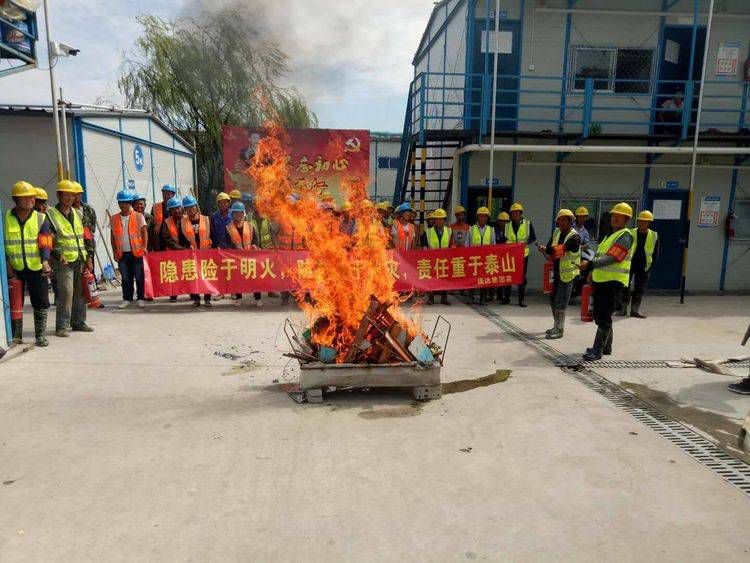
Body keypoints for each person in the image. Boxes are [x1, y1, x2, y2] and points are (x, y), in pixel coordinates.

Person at [579, 203, 634, 361]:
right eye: (613, 216)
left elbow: (613, 258)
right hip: (601, 281)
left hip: (613, 283)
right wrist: (592, 272)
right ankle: (606, 347)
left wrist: (589, 264)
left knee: (603, 316)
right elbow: (599, 256)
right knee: (601, 314)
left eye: (619, 216)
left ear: (626, 219)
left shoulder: (625, 236)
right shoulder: (610, 236)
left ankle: (597, 350)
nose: (615, 218)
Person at [4, 181, 53, 346]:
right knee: (14, 302)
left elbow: (45, 243)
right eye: (24, 198)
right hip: (14, 269)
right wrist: (7, 265)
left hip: (36, 267)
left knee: (40, 302)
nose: (29, 200)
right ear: (15, 199)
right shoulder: (6, 218)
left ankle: (40, 336)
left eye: (31, 197)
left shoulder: (41, 218)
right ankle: (16, 336)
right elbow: (3, 243)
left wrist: (45, 261)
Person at [47, 180, 93, 337]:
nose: (69, 198)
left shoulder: (79, 213)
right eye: (66, 195)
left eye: (72, 195)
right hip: (63, 260)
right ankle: (62, 325)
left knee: (80, 292)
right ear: (59, 195)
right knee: (66, 290)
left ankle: (79, 321)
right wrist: (57, 254)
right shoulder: (51, 214)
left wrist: (89, 256)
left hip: (80, 257)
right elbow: (49, 238)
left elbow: (87, 236)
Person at [537, 209, 581, 340]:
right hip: (555, 271)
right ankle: (556, 326)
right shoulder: (557, 232)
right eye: (559, 220)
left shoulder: (575, 237)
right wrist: (546, 249)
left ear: (570, 221)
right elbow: (551, 246)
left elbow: (562, 249)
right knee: (552, 300)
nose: (561, 222)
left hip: (567, 273)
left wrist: (547, 249)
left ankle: (560, 329)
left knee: (560, 301)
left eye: (564, 220)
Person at [110, 189, 148, 309]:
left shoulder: (138, 216)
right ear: (118, 203)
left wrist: (145, 247)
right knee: (126, 278)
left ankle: (141, 298)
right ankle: (127, 298)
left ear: (130, 203)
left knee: (139, 276)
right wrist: (114, 251)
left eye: (126, 202)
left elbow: (144, 232)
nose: (124, 205)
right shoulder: (114, 218)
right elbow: (113, 236)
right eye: (121, 202)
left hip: (136, 252)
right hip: (122, 253)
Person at [619, 210, 659, 319]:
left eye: (645, 222)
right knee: (625, 286)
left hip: (643, 266)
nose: (642, 223)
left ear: (649, 223)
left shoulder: (654, 235)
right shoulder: (631, 233)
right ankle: (623, 309)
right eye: (640, 221)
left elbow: (655, 253)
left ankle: (635, 310)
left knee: (639, 288)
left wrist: (650, 266)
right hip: (629, 264)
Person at [181, 195, 213, 307]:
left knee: (206, 276)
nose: (190, 209)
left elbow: (212, 235)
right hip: (191, 254)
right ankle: (196, 299)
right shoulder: (183, 222)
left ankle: (207, 299)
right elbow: (182, 238)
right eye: (188, 208)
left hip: (205, 253)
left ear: (196, 206)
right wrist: (187, 246)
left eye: (192, 207)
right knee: (193, 277)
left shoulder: (206, 219)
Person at [226, 202, 258, 307]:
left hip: (250, 257)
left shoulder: (250, 225)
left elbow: (255, 239)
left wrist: (254, 245)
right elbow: (225, 243)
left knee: (253, 277)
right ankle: (239, 298)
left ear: (243, 213)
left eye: (240, 213)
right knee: (238, 279)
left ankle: (257, 298)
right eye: (236, 213)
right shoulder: (228, 227)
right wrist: (235, 247)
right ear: (232, 214)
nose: (238, 215)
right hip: (236, 257)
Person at [505, 202, 536, 307]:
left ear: (520, 213)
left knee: (521, 277)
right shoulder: (507, 225)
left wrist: (526, 243)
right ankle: (506, 298)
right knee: (508, 275)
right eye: (513, 213)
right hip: (510, 255)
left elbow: (533, 237)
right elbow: (504, 239)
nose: (514, 215)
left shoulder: (527, 224)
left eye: (516, 213)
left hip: (523, 255)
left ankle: (521, 300)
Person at [466, 207, 496, 306]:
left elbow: (493, 245)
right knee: (472, 279)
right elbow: (467, 245)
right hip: (474, 259)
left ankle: (482, 299)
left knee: (484, 280)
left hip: (486, 259)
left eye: (485, 217)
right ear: (477, 218)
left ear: (487, 218)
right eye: (481, 216)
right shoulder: (471, 229)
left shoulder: (491, 230)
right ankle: (471, 297)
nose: (483, 219)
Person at [422, 208, 452, 305]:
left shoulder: (449, 231)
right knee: (431, 279)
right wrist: (426, 252)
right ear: (434, 220)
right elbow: (425, 245)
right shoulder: (428, 231)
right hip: (432, 259)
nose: (439, 221)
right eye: (437, 219)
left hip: (445, 259)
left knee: (444, 279)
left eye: (441, 219)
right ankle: (431, 298)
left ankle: (444, 298)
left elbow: (451, 245)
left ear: (444, 220)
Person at [159, 197, 185, 303]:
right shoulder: (166, 222)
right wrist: (180, 248)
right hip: (172, 253)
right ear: (169, 211)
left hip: (187, 252)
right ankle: (173, 294)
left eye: (178, 208)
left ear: (181, 208)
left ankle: (193, 292)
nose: (176, 211)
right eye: (173, 209)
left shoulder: (187, 219)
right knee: (173, 274)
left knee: (189, 273)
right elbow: (166, 239)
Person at [72, 181, 97, 264]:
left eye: (78, 194)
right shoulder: (68, 211)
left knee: (89, 274)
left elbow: (92, 228)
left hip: (88, 247)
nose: (76, 197)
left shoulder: (88, 209)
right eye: (74, 194)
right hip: (74, 249)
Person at [151, 184, 177, 250]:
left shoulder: (177, 207)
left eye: (168, 194)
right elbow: (151, 223)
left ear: (173, 195)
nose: (166, 196)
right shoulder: (156, 207)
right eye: (164, 194)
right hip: (159, 238)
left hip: (173, 238)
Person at [495, 211, 510, 304]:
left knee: (506, 277)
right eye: (501, 221)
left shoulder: (510, 232)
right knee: (497, 276)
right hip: (496, 257)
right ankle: (498, 295)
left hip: (508, 258)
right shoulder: (495, 231)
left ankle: (506, 297)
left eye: (505, 221)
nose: (503, 223)